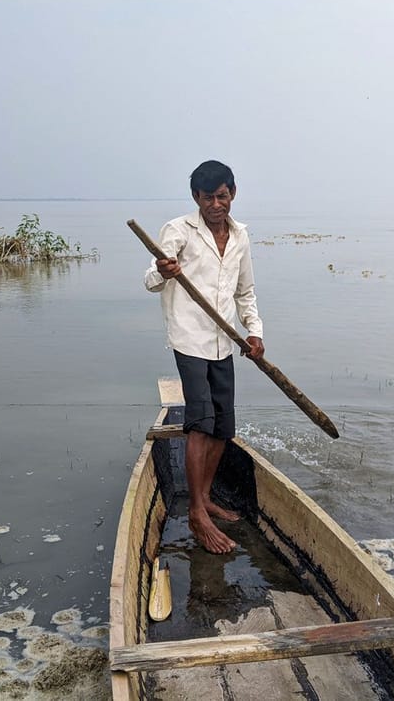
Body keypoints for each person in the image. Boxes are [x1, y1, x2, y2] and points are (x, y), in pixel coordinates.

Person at [144, 159, 264, 554]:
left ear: (233, 194)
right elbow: (150, 280)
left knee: (222, 426)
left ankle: (207, 496)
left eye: (223, 196)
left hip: (223, 340)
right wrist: (164, 270)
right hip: (189, 338)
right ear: (196, 198)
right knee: (200, 421)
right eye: (208, 197)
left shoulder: (241, 236)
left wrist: (254, 332)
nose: (217, 204)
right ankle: (196, 512)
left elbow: (245, 292)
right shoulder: (179, 230)